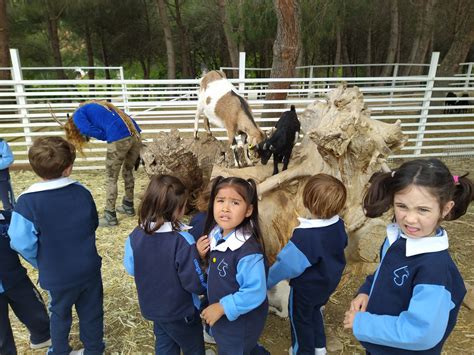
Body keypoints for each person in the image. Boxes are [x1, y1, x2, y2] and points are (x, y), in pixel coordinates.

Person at [343, 158, 473, 354]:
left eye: (423, 209)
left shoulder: (434, 270)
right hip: (383, 344)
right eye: (402, 206)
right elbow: (384, 271)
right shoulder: (398, 239)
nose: (410, 218)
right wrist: (366, 291)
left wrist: (363, 323)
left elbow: (421, 332)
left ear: (445, 209)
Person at [8, 136, 105, 355]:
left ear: (35, 168)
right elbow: (93, 224)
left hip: (57, 274)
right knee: (92, 312)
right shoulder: (82, 192)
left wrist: (40, 258)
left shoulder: (27, 202)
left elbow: (19, 241)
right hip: (88, 268)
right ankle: (94, 350)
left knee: (59, 314)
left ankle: (60, 351)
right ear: (69, 168)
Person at [123, 174, 207, 355]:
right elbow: (193, 281)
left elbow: (131, 268)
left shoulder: (135, 235)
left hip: (152, 307)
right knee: (193, 347)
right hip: (181, 310)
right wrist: (205, 286)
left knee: (164, 342)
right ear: (177, 209)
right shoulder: (184, 239)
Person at [267, 174, 348, 355]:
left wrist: (267, 280)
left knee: (300, 320)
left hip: (306, 289)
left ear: (307, 202)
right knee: (315, 312)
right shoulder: (339, 225)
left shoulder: (306, 237)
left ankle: (301, 351)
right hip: (327, 283)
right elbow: (343, 244)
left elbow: (286, 265)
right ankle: (319, 348)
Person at [198, 176, 269, 355]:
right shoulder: (216, 234)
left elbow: (255, 291)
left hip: (240, 325)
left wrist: (222, 307)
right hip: (224, 318)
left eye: (235, 203)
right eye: (220, 200)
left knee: (234, 349)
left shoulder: (248, 252)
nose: (225, 208)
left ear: (248, 210)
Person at [65, 100, 142, 227]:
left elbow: (85, 128)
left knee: (111, 178)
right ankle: (128, 205)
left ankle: (110, 215)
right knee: (128, 171)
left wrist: (106, 135)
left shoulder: (78, 114)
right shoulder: (103, 106)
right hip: (136, 135)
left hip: (118, 139)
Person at [0, 209, 51, 354]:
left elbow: (23, 240)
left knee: (34, 309)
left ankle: (43, 336)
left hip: (16, 278)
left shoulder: (7, 218)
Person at [0, 138, 15, 211]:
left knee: (7, 202)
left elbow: (9, 159)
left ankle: (12, 217)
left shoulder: (1, 143)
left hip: (2, 178)